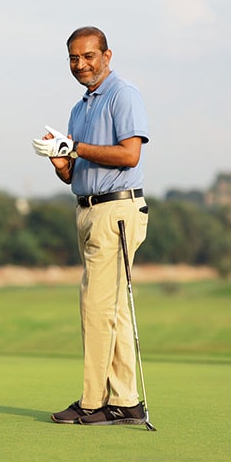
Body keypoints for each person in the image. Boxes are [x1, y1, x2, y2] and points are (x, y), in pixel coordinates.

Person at [32, 26, 151, 426]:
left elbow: (130, 155)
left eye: (88, 56)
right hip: (87, 209)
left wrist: (77, 148)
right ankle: (126, 401)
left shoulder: (123, 94)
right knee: (112, 310)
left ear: (107, 55)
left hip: (116, 211)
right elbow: (72, 175)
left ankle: (93, 403)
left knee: (96, 308)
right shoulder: (79, 108)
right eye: (73, 58)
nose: (81, 64)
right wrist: (61, 160)